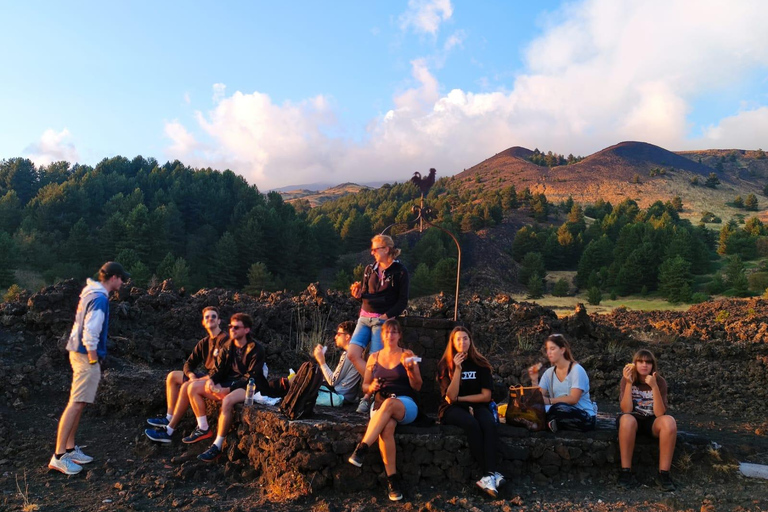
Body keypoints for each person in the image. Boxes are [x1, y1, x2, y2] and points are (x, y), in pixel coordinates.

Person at [48, 261, 129, 475]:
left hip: (78, 352)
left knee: (80, 401)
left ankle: (69, 448)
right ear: (113, 277)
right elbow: (91, 332)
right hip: (85, 355)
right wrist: (93, 361)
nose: (122, 283)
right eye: (121, 278)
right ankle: (58, 456)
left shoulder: (89, 292)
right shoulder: (100, 299)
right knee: (75, 403)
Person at [347, 319, 422, 502]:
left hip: (405, 403)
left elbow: (418, 386)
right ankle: (393, 481)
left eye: (394, 332)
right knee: (387, 428)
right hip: (380, 404)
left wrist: (410, 370)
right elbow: (365, 386)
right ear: (382, 335)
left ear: (399, 335)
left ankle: (363, 447)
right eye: (387, 332)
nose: (390, 335)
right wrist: (371, 386)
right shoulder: (374, 357)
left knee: (389, 404)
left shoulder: (408, 354)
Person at [185, 313, 271, 462]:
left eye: (236, 327)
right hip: (229, 382)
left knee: (227, 401)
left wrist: (228, 390)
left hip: (249, 385)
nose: (232, 330)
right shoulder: (228, 345)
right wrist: (211, 380)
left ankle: (217, 446)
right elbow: (219, 369)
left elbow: (252, 376)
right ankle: (203, 427)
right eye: (230, 326)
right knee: (193, 387)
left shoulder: (256, 349)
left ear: (246, 330)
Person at [437, 326, 505, 498]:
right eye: (458, 339)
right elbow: (450, 398)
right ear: (452, 343)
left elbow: (486, 396)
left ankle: (487, 476)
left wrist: (464, 401)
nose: (462, 342)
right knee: (471, 424)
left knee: (489, 424)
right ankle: (490, 473)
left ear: (470, 340)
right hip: (451, 409)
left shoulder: (480, 364)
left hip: (476, 405)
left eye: (465, 338)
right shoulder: (446, 364)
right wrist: (457, 370)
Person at [144, 306, 228, 443]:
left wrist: (197, 380)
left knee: (187, 387)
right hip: (208, 376)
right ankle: (169, 417)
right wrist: (191, 375)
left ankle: (169, 431)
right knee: (172, 376)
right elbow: (188, 364)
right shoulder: (204, 343)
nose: (210, 319)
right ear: (203, 322)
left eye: (213, 316)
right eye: (207, 317)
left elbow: (222, 370)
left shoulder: (225, 341)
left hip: (220, 379)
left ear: (219, 321)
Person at [348, 234, 409, 414]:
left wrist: (387, 316)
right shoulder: (369, 268)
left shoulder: (400, 271)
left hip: (382, 321)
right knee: (352, 354)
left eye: (376, 248)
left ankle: (367, 397)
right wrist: (358, 294)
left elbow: (402, 300)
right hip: (364, 317)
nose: (372, 252)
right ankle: (374, 388)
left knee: (376, 361)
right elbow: (365, 293)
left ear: (387, 249)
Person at [617, 349, 677, 491]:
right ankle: (626, 472)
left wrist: (654, 386)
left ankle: (664, 474)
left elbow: (660, 413)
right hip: (633, 419)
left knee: (669, 422)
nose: (644, 365)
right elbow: (626, 409)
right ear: (635, 364)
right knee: (626, 419)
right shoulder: (626, 380)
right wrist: (629, 383)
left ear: (652, 365)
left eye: (648, 362)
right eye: (640, 362)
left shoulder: (660, 381)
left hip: (652, 420)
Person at [530, 333, 596, 433]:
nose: (549, 353)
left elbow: (573, 399)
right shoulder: (549, 373)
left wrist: (549, 401)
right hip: (558, 413)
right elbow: (537, 398)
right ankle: (552, 423)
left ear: (562, 350)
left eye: (552, 349)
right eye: (547, 349)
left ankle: (548, 423)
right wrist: (534, 380)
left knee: (558, 408)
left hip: (583, 417)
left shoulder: (577, 370)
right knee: (533, 409)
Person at [313, 320, 362, 406]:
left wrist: (322, 362)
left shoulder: (349, 355)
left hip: (339, 395)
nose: (335, 337)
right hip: (346, 395)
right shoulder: (357, 352)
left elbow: (332, 381)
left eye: (339, 334)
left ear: (347, 336)